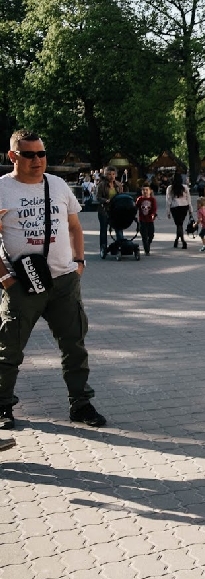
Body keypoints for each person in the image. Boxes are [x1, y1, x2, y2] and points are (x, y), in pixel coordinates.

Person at [0, 129, 105, 431]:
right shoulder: (2, 188)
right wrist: (5, 278)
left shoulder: (57, 185)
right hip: (21, 284)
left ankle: (80, 403)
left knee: (75, 346)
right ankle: (3, 405)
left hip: (63, 282)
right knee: (8, 349)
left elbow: (75, 226)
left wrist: (79, 263)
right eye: (29, 154)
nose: (37, 160)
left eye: (42, 153)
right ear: (13, 156)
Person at [95, 166, 123, 255]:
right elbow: (98, 197)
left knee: (119, 228)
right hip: (104, 210)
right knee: (104, 229)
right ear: (105, 175)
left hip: (116, 210)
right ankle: (103, 248)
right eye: (109, 174)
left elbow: (121, 195)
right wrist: (105, 200)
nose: (111, 176)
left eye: (113, 174)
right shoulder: (101, 185)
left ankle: (121, 246)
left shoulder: (118, 185)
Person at [166, 174, 193, 249]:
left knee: (179, 224)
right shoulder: (185, 187)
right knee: (180, 224)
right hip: (184, 206)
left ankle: (183, 241)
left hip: (175, 207)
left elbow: (168, 200)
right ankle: (177, 240)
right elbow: (189, 199)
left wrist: (168, 211)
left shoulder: (170, 188)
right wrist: (190, 210)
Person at [135, 186, 157, 255]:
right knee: (144, 236)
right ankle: (146, 250)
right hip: (142, 220)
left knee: (151, 235)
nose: (145, 191)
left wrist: (153, 214)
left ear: (150, 191)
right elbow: (136, 207)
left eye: (147, 190)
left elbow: (154, 208)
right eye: (143, 190)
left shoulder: (152, 199)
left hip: (150, 220)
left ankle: (148, 243)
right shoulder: (140, 199)